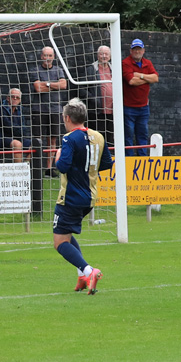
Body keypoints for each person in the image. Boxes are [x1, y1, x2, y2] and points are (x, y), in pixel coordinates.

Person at [53, 98, 113, 295]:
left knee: (60, 242)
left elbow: (63, 166)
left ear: (67, 118)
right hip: (90, 197)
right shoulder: (98, 137)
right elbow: (106, 164)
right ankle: (81, 275)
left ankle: (89, 271)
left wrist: (58, 157)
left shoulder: (69, 138)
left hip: (69, 197)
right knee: (67, 234)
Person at [30, 47, 68, 176]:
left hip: (55, 109)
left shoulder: (59, 70)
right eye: (45, 55)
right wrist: (54, 85)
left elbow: (63, 85)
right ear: (41, 56)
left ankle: (49, 169)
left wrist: (46, 84)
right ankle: (34, 167)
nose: (47, 58)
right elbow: (38, 88)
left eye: (50, 55)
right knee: (37, 139)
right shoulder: (35, 70)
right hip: (39, 109)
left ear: (53, 57)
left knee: (52, 139)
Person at [121, 39, 159, 156]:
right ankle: (129, 160)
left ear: (143, 50)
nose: (137, 51)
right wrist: (147, 79)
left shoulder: (148, 63)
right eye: (135, 49)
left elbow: (155, 78)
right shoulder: (125, 63)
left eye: (139, 49)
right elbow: (131, 81)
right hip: (129, 107)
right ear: (131, 51)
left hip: (143, 107)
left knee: (142, 134)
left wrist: (140, 75)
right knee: (128, 135)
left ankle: (142, 159)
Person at [0, 88, 31, 163]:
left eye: (17, 98)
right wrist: (17, 129)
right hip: (2, 138)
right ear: (8, 98)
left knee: (36, 143)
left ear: (20, 100)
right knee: (17, 144)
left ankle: (26, 167)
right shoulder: (1, 109)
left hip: (16, 137)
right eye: (12, 97)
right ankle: (19, 172)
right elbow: (7, 127)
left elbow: (24, 129)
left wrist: (16, 129)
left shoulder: (20, 111)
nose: (15, 99)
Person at [89, 45, 115, 141]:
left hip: (112, 110)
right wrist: (94, 100)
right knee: (97, 138)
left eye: (106, 54)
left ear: (110, 56)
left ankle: (110, 156)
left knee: (110, 138)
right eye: (101, 54)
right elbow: (83, 89)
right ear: (97, 55)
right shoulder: (91, 69)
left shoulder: (115, 69)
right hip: (97, 111)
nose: (104, 56)